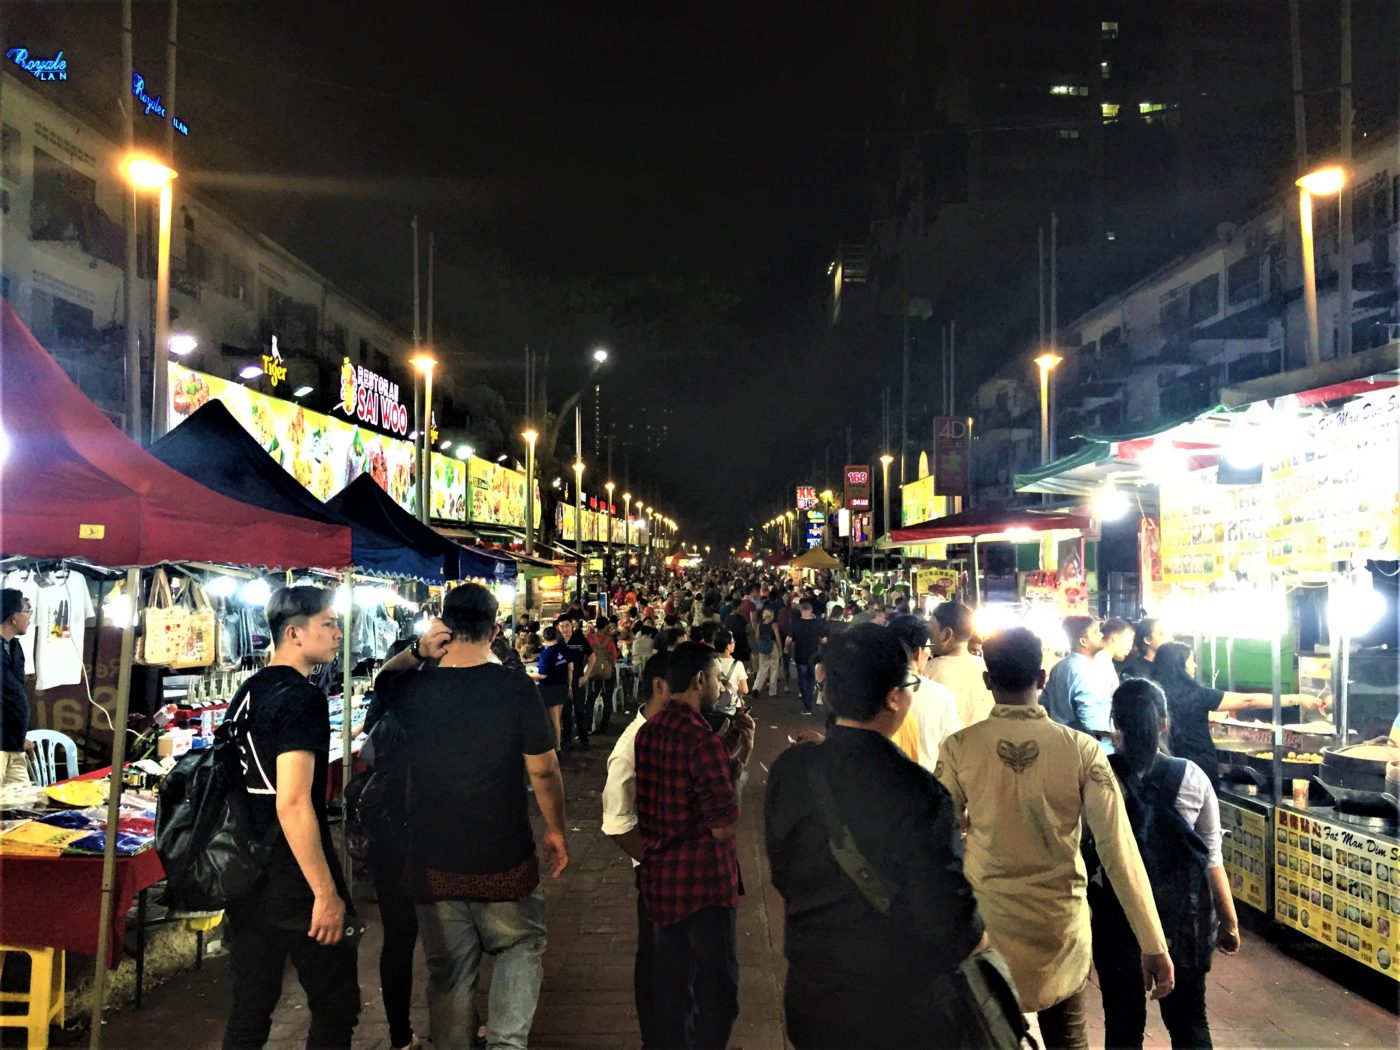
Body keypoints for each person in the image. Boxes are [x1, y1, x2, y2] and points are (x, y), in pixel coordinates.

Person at [937, 627, 1173, 1050]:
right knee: (1068, 1040)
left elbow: (942, 842)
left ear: (988, 681)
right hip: (1060, 933)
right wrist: (1153, 943)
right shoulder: (1081, 750)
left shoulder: (958, 748)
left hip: (987, 929)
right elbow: (1119, 850)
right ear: (1042, 679)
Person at [765, 624, 990, 1048]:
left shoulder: (792, 771)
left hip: (815, 995)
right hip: (898, 1007)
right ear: (892, 697)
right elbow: (945, 916)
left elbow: (782, 871)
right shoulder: (920, 792)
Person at [377, 583, 568, 1050]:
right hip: (501, 853)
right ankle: (505, 1043)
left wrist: (418, 651)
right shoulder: (514, 686)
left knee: (448, 972)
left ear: (444, 624)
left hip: (432, 858)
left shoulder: (414, 687)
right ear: (495, 629)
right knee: (519, 945)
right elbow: (542, 768)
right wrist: (556, 830)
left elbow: (383, 680)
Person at [224, 586, 360, 1049]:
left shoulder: (248, 691)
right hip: (293, 874)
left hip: (246, 872)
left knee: (250, 1006)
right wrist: (325, 892)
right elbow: (293, 802)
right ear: (293, 633)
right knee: (336, 1003)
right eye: (328, 624)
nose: (338, 634)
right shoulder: (302, 698)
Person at [1091, 678, 1241, 1050]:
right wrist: (1229, 921)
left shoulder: (1098, 776)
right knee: (1190, 1022)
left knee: (1122, 1026)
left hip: (1119, 918)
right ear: (1164, 723)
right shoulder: (1192, 776)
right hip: (1183, 921)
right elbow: (1211, 859)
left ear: (1116, 724)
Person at [634, 642, 741, 1050]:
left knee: (673, 989)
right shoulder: (702, 740)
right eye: (716, 678)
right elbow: (723, 825)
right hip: (704, 886)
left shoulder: (647, 732)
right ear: (700, 680)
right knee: (718, 991)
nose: (718, 686)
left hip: (660, 881)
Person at [602, 652, 671, 1046]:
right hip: (656, 871)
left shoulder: (667, 734)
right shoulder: (633, 744)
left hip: (670, 870)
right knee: (657, 958)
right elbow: (615, 821)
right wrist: (655, 862)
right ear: (661, 686)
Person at [1149, 642, 1326, 790]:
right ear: (1180, 667)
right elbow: (1248, 701)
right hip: (1197, 770)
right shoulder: (1196, 694)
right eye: (1191, 661)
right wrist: (1297, 699)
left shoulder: (1151, 694)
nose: (1195, 665)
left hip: (1163, 769)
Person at [884, 614, 962, 773]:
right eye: (928, 648)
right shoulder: (941, 696)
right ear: (919, 652)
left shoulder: (869, 687)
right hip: (923, 786)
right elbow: (952, 750)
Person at [1040, 615, 1118, 752]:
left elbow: (1044, 704)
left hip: (1064, 745)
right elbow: (1091, 719)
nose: (1101, 634)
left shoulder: (1059, 667)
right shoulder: (1086, 670)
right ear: (1083, 641)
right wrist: (1116, 736)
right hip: (1093, 750)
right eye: (1095, 632)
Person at [925, 601, 996, 727]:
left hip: (948, 746)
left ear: (947, 634)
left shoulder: (929, 671)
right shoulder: (986, 666)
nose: (929, 634)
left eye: (932, 628)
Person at [1, 589, 35, 788]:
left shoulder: (15, 647)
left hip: (13, 745)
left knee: (23, 804)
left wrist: (19, 736)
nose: (29, 617)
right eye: (27, 611)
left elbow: (15, 697)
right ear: (14, 618)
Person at [558, 616, 596, 750]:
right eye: (562, 626)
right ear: (558, 627)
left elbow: (592, 657)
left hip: (577, 680)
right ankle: (567, 740)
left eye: (567, 626)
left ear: (572, 626)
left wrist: (586, 676)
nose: (564, 629)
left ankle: (583, 739)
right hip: (562, 682)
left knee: (580, 710)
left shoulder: (580, 640)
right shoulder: (558, 641)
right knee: (565, 712)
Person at [535, 625, 572, 750]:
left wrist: (529, 675)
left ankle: (557, 748)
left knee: (554, 720)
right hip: (562, 686)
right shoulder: (562, 648)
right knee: (557, 718)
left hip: (549, 689)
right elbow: (570, 667)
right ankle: (558, 744)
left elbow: (542, 675)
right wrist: (569, 685)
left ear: (544, 638)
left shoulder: (546, 654)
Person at [789, 601, 826, 716]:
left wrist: (786, 649)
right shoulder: (817, 623)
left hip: (800, 654)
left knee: (802, 679)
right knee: (811, 678)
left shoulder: (795, 623)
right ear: (810, 611)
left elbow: (789, 639)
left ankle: (807, 704)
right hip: (813, 655)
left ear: (801, 610)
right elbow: (824, 640)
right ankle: (809, 697)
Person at [587, 617, 620, 734]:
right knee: (607, 700)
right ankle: (604, 727)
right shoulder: (609, 640)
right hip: (607, 673)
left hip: (593, 672)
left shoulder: (589, 638)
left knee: (590, 700)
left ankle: (589, 726)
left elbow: (586, 655)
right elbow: (614, 656)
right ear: (605, 626)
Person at [751, 608, 783, 697]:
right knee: (774, 669)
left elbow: (757, 637)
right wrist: (780, 649)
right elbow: (777, 637)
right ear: (772, 615)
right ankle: (772, 691)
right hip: (773, 647)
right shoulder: (774, 625)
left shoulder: (760, 624)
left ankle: (756, 688)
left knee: (762, 669)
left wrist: (760, 644)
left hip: (763, 648)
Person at [713, 628, 750, 705]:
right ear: (728, 646)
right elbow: (745, 689)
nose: (734, 643)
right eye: (733, 642)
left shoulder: (711, 663)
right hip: (733, 705)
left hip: (715, 704)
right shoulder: (738, 664)